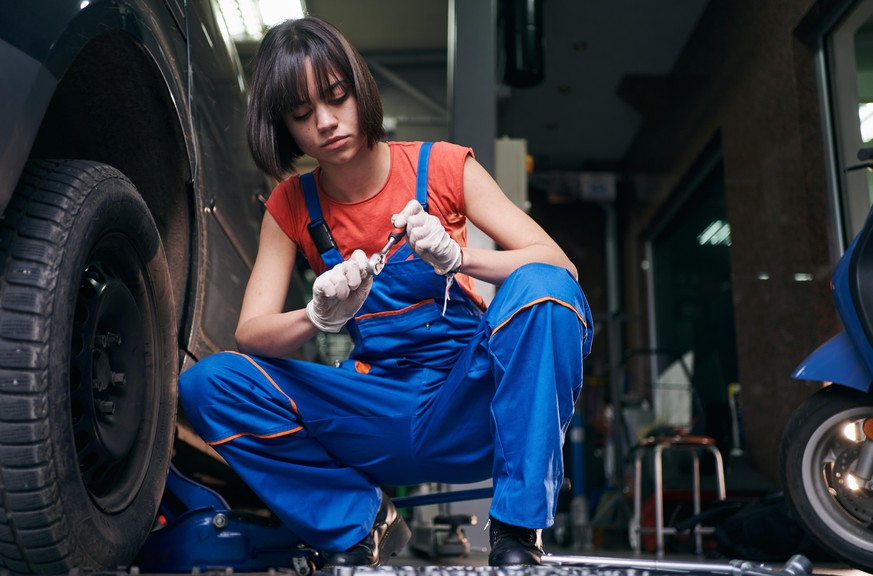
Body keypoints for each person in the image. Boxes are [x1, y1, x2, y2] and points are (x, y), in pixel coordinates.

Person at [178, 16, 593, 568]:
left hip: (476, 401)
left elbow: (558, 265)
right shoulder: (291, 205)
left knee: (543, 289)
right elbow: (251, 332)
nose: (325, 123)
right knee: (209, 384)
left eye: (336, 97)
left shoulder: (443, 165)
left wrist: (459, 257)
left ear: (359, 88)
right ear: (284, 127)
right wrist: (317, 315)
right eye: (302, 115)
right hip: (378, 412)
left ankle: (517, 528)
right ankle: (360, 521)